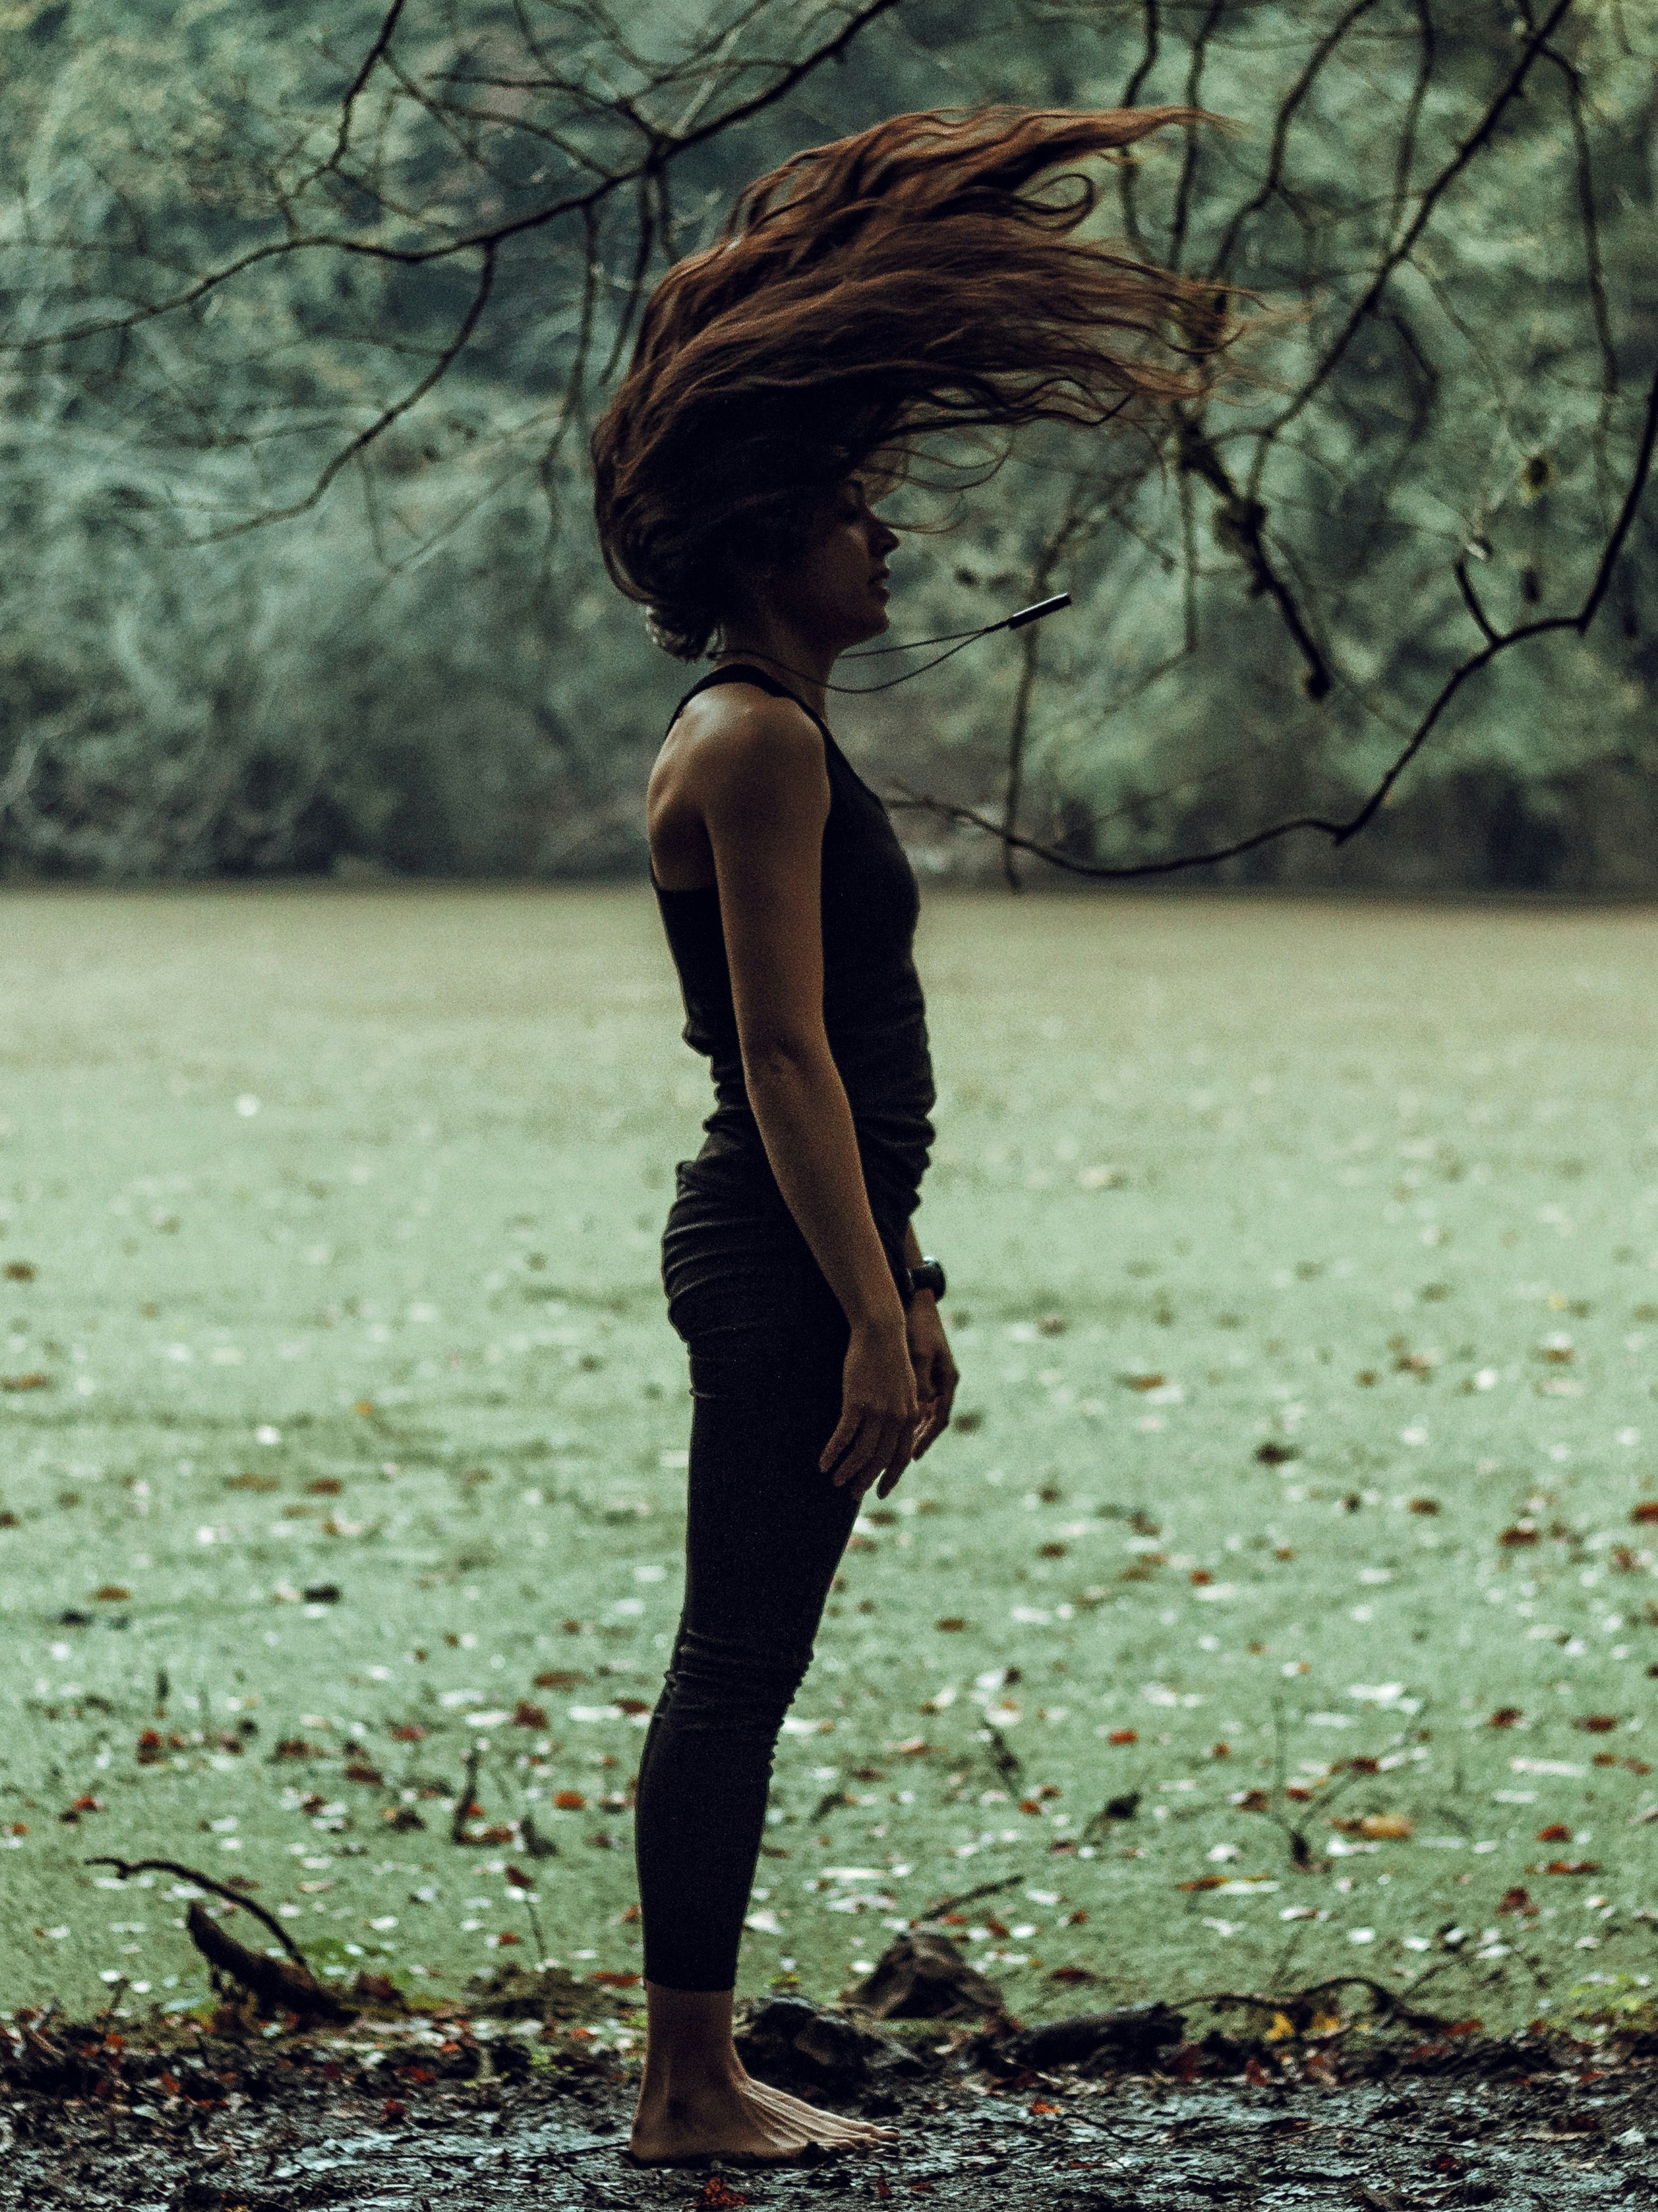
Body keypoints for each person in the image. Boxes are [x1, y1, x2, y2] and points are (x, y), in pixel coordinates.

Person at [589, 102, 1241, 2168]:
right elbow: (785, 1057)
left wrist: (915, 1281)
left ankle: (697, 2073)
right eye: (863, 516)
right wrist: (867, 1314)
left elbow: (844, 1064)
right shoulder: (756, 740)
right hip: (779, 1250)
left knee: (747, 1651)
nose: (899, 543)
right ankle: (687, 2087)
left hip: (821, 1244)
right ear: (779, 540)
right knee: (734, 1652)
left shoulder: (768, 723)